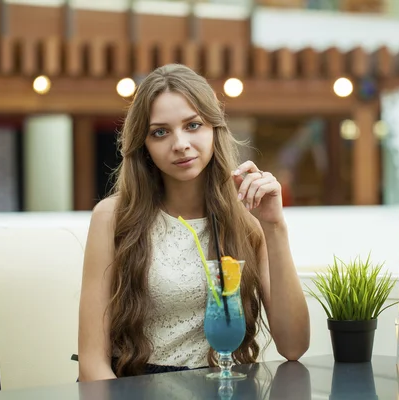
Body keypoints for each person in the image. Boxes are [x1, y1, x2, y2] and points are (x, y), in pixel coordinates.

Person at [78, 64, 310, 381]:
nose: (180, 144)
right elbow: (92, 364)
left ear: (214, 129)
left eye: (193, 125)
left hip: (221, 386)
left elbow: (294, 346)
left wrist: (274, 226)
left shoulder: (245, 223)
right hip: (135, 388)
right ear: (143, 146)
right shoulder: (114, 217)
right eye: (160, 132)